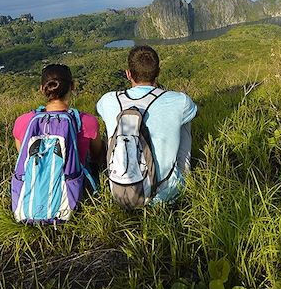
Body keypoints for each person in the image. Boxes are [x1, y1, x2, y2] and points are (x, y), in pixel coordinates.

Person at [96, 45, 197, 204]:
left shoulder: (108, 100)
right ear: (158, 72)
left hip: (120, 192)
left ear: (128, 74)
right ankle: (183, 176)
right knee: (184, 121)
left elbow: (100, 111)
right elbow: (193, 111)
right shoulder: (180, 101)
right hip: (166, 194)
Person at [13, 64, 104, 178]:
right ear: (72, 86)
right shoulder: (87, 121)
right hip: (73, 189)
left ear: (42, 89)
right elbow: (96, 155)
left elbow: (23, 155)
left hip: (31, 190)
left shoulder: (23, 121)